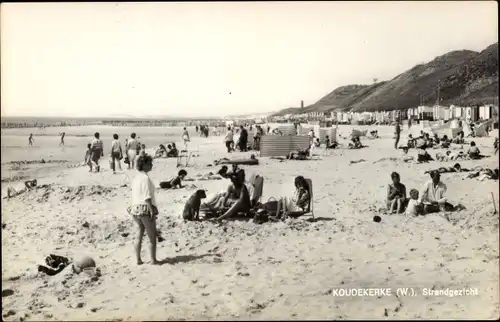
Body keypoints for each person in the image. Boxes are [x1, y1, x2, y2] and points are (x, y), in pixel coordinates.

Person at [127, 154, 159, 265]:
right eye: (149, 163)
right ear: (144, 164)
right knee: (152, 236)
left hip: (135, 208)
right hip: (144, 208)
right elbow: (147, 196)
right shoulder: (145, 178)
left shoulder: (136, 178)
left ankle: (138, 260)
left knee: (139, 234)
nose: (151, 165)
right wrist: (151, 210)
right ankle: (153, 260)